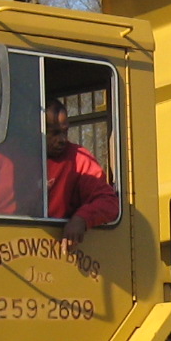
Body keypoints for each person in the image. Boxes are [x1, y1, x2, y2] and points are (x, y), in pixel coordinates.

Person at [45, 96, 119, 243]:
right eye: (54, 133)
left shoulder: (79, 158)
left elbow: (109, 202)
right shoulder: (12, 160)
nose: (61, 139)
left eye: (64, 132)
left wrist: (81, 219)